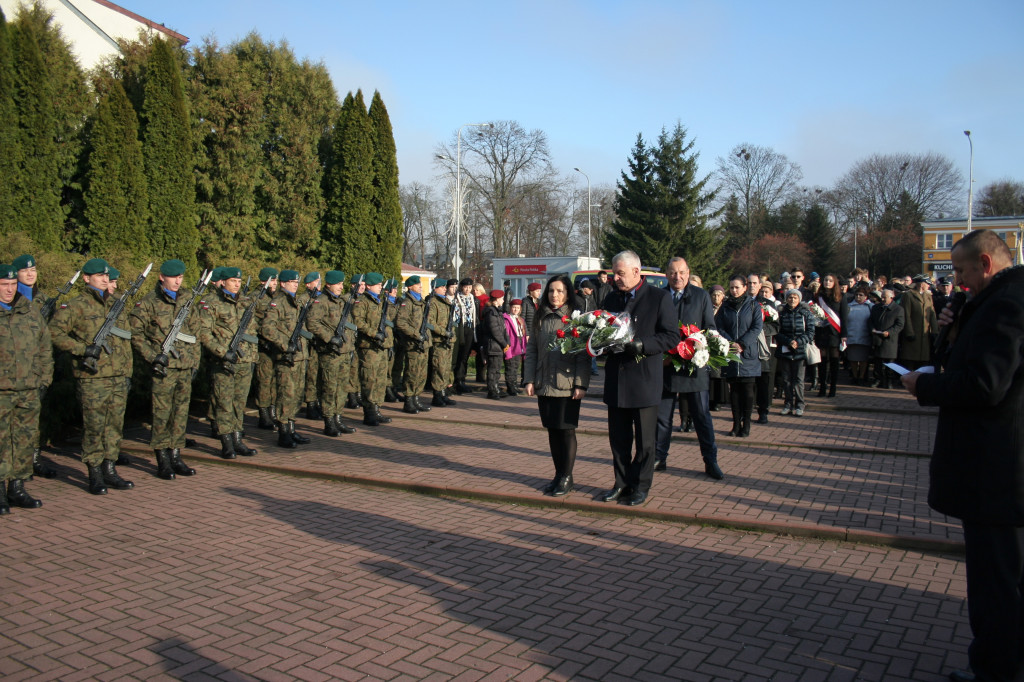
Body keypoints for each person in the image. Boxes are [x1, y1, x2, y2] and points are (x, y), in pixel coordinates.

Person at [901, 229, 1024, 682]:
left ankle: (996, 671)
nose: (957, 279)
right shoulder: (989, 303)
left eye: (960, 269)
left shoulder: (1008, 305)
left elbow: (985, 385)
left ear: (986, 264)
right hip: (1000, 471)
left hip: (997, 472)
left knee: (996, 587)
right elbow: (965, 362)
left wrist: (924, 386)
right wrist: (951, 329)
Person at [49, 258, 135, 495]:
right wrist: (82, 349)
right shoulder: (75, 306)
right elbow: (54, 333)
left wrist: (128, 372)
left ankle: (110, 469)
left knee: (115, 426)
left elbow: (125, 341)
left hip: (118, 376)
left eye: (107, 276)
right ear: (86, 278)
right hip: (93, 377)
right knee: (94, 426)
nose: (105, 280)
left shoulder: (117, 304)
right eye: (99, 276)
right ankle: (95, 473)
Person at [599, 250, 678, 506]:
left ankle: (641, 487)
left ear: (636, 271)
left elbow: (671, 336)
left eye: (620, 274)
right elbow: (602, 331)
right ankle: (621, 484)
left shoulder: (659, 298)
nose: (616, 279)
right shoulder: (611, 298)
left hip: (644, 379)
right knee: (619, 441)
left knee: (645, 442)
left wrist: (643, 345)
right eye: (614, 274)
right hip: (617, 381)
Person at [129, 259, 205, 475]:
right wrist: (153, 357)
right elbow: (136, 334)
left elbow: (195, 335)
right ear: (162, 277)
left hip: (184, 366)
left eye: (180, 277)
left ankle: (176, 455)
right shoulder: (149, 302)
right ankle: (162, 458)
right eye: (173, 277)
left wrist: (195, 363)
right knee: (162, 414)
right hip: (163, 368)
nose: (177, 281)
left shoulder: (187, 300)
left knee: (180, 414)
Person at [654, 257, 722, 479]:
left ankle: (710, 460)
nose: (678, 277)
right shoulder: (660, 297)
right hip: (666, 366)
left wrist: (698, 348)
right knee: (662, 417)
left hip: (694, 368)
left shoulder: (701, 296)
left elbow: (709, 328)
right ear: (666, 274)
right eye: (673, 273)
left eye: (682, 272)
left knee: (702, 416)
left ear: (688, 272)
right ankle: (659, 457)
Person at [524, 274, 589, 497]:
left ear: (568, 293)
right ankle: (558, 474)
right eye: (551, 291)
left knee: (566, 431)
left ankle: (567, 477)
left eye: (560, 291)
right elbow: (532, 349)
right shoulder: (540, 316)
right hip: (544, 382)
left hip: (567, 384)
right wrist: (529, 379)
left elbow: (582, 354)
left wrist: (581, 384)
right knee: (552, 431)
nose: (555, 295)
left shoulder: (575, 318)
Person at [0, 263, 53, 513]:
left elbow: (45, 347)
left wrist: (43, 379)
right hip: (2, 391)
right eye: (4, 285)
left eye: (12, 285)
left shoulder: (30, 312)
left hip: (29, 389)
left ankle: (17, 488)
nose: (9, 289)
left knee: (24, 440)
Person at [12, 254, 58, 479]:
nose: (30, 274)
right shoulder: (11, 298)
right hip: (16, 372)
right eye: (25, 271)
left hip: (40, 369)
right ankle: (18, 463)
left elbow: (50, 336)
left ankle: (35, 458)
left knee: (40, 417)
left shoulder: (45, 300)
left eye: (33, 270)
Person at [259, 269, 313, 447]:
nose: (295, 284)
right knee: (285, 395)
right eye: (292, 282)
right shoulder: (278, 302)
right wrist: (284, 344)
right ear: (282, 283)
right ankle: (283, 432)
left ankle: (291, 428)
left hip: (298, 356)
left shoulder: (295, 302)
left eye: (297, 282)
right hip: (286, 357)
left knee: (296, 395)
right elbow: (267, 329)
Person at [304, 270, 358, 436]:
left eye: (342, 284)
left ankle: (338, 418)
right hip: (330, 352)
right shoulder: (321, 301)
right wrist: (329, 338)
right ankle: (329, 421)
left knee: (342, 387)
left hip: (344, 350)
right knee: (329, 386)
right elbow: (312, 323)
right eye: (338, 284)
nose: (341, 287)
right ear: (329, 284)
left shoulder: (342, 302)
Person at [715, 275, 764, 436]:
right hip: (731, 353)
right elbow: (719, 326)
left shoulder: (753, 306)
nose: (734, 290)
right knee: (734, 390)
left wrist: (742, 344)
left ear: (744, 287)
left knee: (748, 391)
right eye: (731, 287)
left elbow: (756, 327)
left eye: (737, 287)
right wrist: (730, 343)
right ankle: (736, 424)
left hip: (747, 353)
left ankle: (747, 423)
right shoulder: (725, 306)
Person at [351, 272, 393, 426]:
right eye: (377, 285)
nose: (380, 287)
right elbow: (358, 322)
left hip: (380, 346)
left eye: (381, 284)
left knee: (380, 380)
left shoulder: (380, 301)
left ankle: (376, 408)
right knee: (369, 379)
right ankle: (368, 412)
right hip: (368, 347)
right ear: (368, 286)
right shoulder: (361, 301)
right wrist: (374, 334)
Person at [393, 275, 432, 414]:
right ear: (410, 287)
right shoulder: (407, 303)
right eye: (417, 284)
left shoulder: (420, 301)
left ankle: (416, 398)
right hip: (413, 343)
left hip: (423, 343)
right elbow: (400, 323)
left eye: (420, 284)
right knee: (412, 372)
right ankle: (409, 400)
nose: (420, 286)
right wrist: (416, 335)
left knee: (421, 373)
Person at [775, 289, 816, 416]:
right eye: (790, 297)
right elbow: (777, 331)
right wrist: (788, 341)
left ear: (799, 299)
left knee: (798, 379)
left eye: (795, 297)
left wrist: (798, 341)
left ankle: (800, 404)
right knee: (786, 379)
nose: (792, 300)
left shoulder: (806, 313)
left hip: (800, 351)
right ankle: (787, 404)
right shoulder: (781, 314)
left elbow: (810, 332)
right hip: (785, 350)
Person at [813, 274, 849, 398]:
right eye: (825, 280)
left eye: (830, 280)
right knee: (822, 362)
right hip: (821, 332)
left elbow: (844, 318)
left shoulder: (841, 297)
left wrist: (844, 335)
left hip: (835, 333)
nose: (827, 282)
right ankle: (822, 386)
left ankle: (833, 387)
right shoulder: (818, 297)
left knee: (834, 361)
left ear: (835, 283)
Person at [254, 267, 279, 429]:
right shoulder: (255, 298)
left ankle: (272, 412)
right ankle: (264, 415)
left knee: (274, 380)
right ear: (264, 281)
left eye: (276, 280)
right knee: (264, 380)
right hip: (263, 346)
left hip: (275, 345)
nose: (275, 284)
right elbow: (252, 322)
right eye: (272, 280)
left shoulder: (276, 298)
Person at [427, 278, 457, 407]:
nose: (445, 288)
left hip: (448, 340)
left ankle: (443, 392)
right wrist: (444, 332)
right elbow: (430, 323)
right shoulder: (432, 302)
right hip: (439, 340)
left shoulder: (445, 301)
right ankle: (437, 395)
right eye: (442, 287)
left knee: (446, 368)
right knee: (439, 368)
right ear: (435, 288)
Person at [899, 274, 938, 371]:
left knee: (923, 360)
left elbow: (932, 314)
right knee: (911, 359)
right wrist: (909, 332)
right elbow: (906, 315)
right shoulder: (908, 295)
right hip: (913, 333)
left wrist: (935, 331)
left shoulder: (928, 296)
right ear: (921, 284)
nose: (929, 286)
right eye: (927, 283)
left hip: (924, 335)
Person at [868, 288, 904, 389]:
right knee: (878, 362)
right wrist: (872, 329)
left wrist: (889, 332)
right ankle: (878, 379)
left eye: (885, 297)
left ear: (891, 297)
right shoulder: (876, 308)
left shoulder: (898, 309)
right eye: (882, 297)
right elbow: (870, 321)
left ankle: (889, 381)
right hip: (877, 338)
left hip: (890, 339)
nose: (883, 299)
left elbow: (900, 325)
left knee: (890, 362)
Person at [480, 289, 509, 399]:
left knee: (497, 368)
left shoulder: (497, 311)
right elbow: (495, 331)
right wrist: (504, 343)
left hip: (498, 345)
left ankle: (496, 387)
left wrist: (507, 342)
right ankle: (492, 390)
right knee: (493, 369)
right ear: (497, 299)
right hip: (493, 345)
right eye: (502, 298)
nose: (503, 300)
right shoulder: (491, 313)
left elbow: (503, 329)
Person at [451, 278, 477, 394]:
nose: (468, 289)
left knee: (465, 356)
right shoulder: (457, 298)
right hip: (460, 328)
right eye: (466, 287)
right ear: (461, 287)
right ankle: (455, 381)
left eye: (470, 287)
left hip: (470, 328)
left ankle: (462, 379)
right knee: (458, 355)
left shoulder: (472, 298)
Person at [844, 284, 874, 385]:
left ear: (866, 296)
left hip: (865, 336)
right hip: (852, 336)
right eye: (856, 295)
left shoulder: (870, 307)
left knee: (863, 359)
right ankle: (855, 376)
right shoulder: (849, 307)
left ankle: (861, 376)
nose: (858, 297)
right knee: (852, 358)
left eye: (861, 295)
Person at [707, 284, 729, 411]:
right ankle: (711, 399)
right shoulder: (708, 308)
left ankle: (719, 399)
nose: (716, 297)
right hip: (710, 341)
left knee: (720, 370)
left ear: (723, 296)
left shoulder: (725, 309)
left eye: (719, 295)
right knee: (711, 370)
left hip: (722, 340)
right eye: (714, 295)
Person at [502, 299, 527, 396]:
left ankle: (514, 385)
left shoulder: (521, 319)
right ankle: (510, 386)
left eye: (517, 308)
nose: (515, 309)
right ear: (510, 308)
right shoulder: (507, 319)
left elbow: (524, 334)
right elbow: (507, 333)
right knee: (510, 366)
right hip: (511, 344)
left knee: (516, 366)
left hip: (519, 344)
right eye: (514, 307)